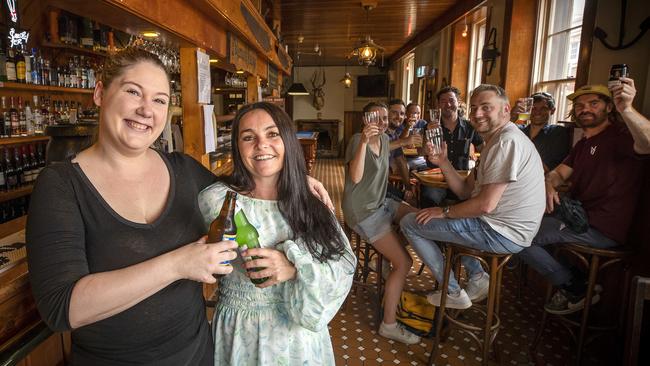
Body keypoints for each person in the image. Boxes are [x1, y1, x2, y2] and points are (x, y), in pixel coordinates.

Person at [26, 49, 333, 366]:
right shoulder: (61, 185)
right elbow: (62, 308)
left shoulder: (185, 170)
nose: (147, 110)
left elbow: (245, 192)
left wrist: (293, 180)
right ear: (101, 93)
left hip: (198, 354)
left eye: (159, 100)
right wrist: (178, 264)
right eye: (133, 92)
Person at [199, 102, 355, 365]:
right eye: (248, 137)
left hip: (297, 341)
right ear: (237, 146)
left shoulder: (310, 203)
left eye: (272, 134)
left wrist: (295, 268)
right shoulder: (215, 201)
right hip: (240, 333)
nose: (261, 144)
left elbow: (344, 268)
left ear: (288, 141)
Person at [400, 84, 545, 309]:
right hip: (500, 225)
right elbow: (465, 192)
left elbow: (485, 205)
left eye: (486, 108)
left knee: (410, 222)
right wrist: (443, 162)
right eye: (475, 107)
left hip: (503, 231)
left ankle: (453, 291)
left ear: (506, 109)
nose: (477, 114)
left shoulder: (506, 142)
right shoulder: (493, 142)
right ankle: (477, 277)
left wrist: (444, 212)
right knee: (432, 216)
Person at [518, 83, 648, 315]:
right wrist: (549, 183)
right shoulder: (583, 144)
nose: (584, 109)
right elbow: (558, 173)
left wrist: (627, 108)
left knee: (519, 235)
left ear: (609, 107)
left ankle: (575, 287)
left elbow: (648, 143)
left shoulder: (622, 135)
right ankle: (576, 281)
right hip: (579, 219)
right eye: (579, 105)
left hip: (603, 228)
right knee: (519, 224)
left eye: (593, 103)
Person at [343, 102, 420, 344]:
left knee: (419, 219)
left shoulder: (386, 140)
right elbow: (354, 177)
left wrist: (407, 140)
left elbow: (394, 144)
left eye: (385, 118)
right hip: (362, 211)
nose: (382, 122)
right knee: (404, 263)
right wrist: (365, 142)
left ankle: (382, 258)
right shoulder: (357, 140)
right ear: (366, 120)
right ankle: (388, 325)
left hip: (382, 202)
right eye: (376, 118)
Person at [420, 86, 483, 207]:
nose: (447, 104)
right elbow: (422, 152)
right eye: (443, 101)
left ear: (458, 102)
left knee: (472, 201)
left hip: (462, 178)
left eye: (451, 100)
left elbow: (484, 149)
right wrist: (428, 136)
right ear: (438, 104)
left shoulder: (470, 127)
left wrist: (478, 169)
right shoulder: (429, 126)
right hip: (436, 179)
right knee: (429, 198)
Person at [511, 92, 570, 171]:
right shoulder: (517, 130)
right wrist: (512, 117)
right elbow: (495, 137)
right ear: (528, 110)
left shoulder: (558, 132)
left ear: (552, 111)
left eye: (543, 108)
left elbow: (546, 168)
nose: (537, 112)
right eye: (533, 108)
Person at [385, 99, 421, 203]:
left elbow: (402, 162)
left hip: (384, 185)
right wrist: (404, 141)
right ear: (386, 113)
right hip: (373, 188)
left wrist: (408, 188)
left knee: (412, 201)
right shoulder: (380, 131)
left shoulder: (394, 135)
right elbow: (378, 148)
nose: (398, 116)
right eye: (394, 112)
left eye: (401, 113)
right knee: (409, 207)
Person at [401, 102, 430, 171]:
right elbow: (401, 143)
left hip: (420, 157)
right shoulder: (401, 123)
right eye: (413, 113)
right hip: (404, 158)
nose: (416, 115)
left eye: (418, 113)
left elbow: (424, 145)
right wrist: (408, 127)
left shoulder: (423, 123)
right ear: (406, 113)